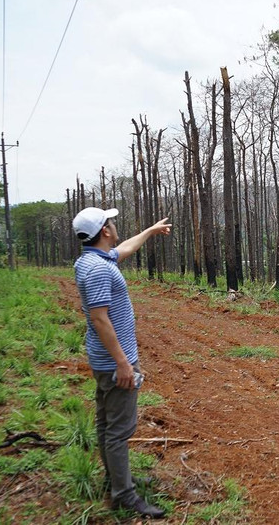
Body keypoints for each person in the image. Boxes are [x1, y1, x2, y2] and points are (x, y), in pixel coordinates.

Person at [72, 206, 171, 519]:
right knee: (119, 431)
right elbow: (101, 320)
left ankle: (116, 479)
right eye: (111, 223)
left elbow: (124, 248)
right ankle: (124, 496)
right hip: (115, 363)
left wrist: (150, 231)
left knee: (105, 425)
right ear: (104, 231)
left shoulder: (92, 259)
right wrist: (124, 364)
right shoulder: (99, 270)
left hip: (103, 361)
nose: (115, 226)